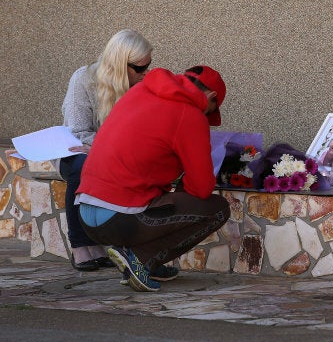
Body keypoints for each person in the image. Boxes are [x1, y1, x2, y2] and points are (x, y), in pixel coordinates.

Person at [75, 65, 231, 292]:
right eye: (211, 110)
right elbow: (202, 187)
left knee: (161, 198)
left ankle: (150, 263)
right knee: (217, 209)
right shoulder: (191, 114)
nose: (207, 117)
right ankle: (140, 259)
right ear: (211, 97)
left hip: (85, 212)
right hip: (120, 218)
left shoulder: (140, 91)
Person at [60, 29, 153, 271]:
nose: (146, 73)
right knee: (82, 166)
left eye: (148, 66)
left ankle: (106, 244)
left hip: (114, 155)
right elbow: (77, 131)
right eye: (139, 68)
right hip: (78, 151)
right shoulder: (84, 79)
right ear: (119, 64)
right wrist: (109, 146)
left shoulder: (141, 87)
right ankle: (80, 245)